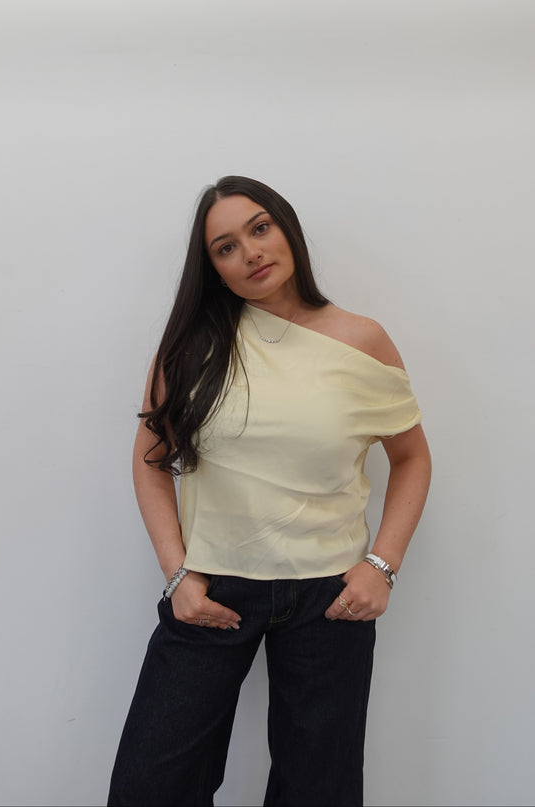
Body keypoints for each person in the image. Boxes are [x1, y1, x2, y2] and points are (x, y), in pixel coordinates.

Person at [107, 176, 431, 807]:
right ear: (213, 268)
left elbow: (412, 457)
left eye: (260, 228)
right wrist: (178, 575)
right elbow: (151, 462)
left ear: (287, 229)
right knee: (150, 786)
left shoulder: (361, 340)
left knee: (318, 791)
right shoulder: (191, 347)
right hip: (210, 590)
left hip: (330, 598)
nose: (250, 252)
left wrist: (382, 567)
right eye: (226, 247)